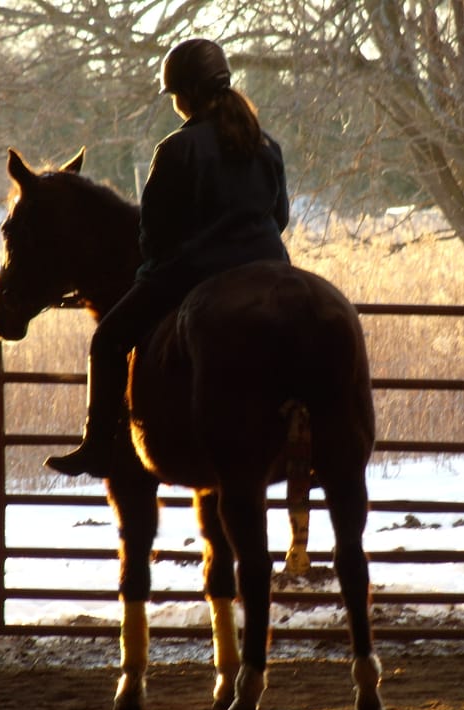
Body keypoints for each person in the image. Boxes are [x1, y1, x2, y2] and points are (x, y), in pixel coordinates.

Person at [45, 38, 291, 478]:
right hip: (270, 270)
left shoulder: (177, 149)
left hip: (196, 273)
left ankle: (99, 443)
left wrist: (150, 273)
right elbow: (281, 216)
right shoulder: (266, 144)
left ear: (189, 95)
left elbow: (154, 235)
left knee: (108, 340)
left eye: (175, 95)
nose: (175, 103)